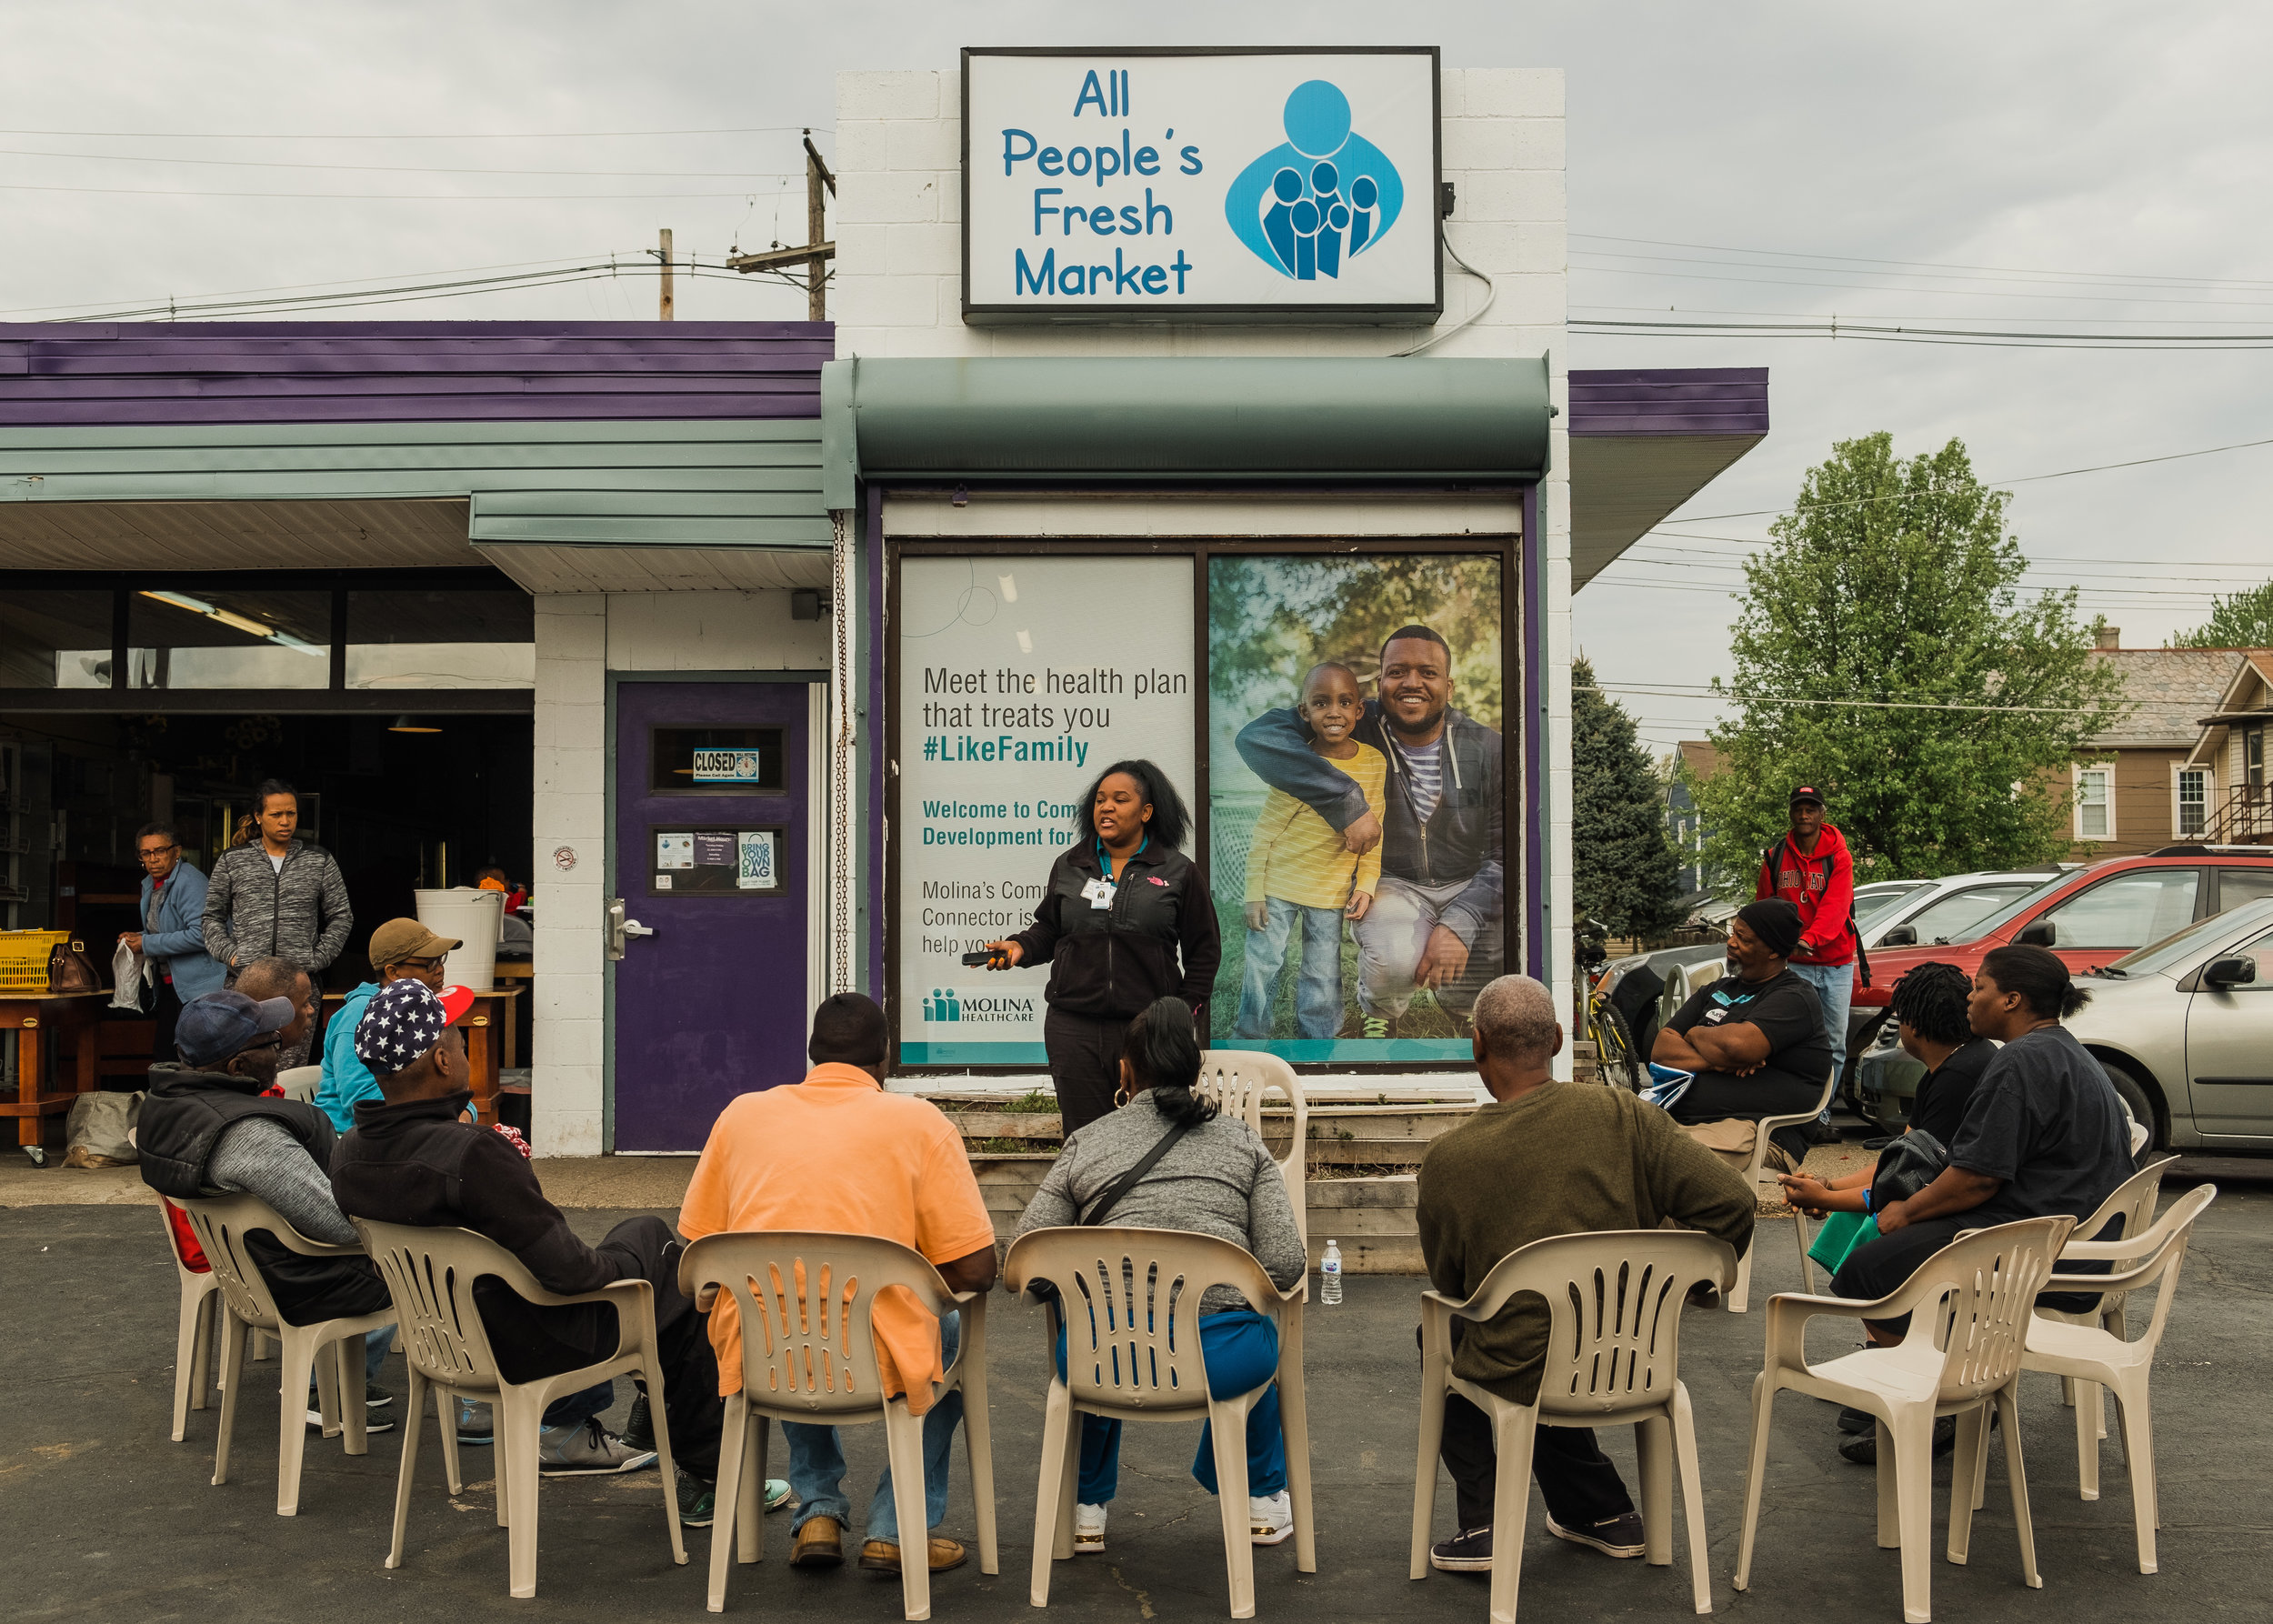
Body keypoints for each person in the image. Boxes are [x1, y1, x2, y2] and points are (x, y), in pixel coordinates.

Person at [328, 980, 729, 1516]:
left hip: (445, 1342)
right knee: (656, 1251)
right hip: (528, 1341)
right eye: (458, 1039)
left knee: (645, 1254)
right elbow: (570, 1273)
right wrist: (628, 1269)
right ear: (444, 1061)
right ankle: (705, 1470)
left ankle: (662, 1425)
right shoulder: (472, 1154)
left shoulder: (347, 1156)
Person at [1416, 975, 1754, 1572]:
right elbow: (1733, 1205)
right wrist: (1689, 1282)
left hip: (1519, 1364)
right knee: (1552, 1327)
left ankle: (1487, 1522)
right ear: (1554, 1040)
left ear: (1476, 1045)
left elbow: (1454, 1289)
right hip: (1630, 1356)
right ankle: (1598, 1510)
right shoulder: (1626, 1117)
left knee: (1449, 1334)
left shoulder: (1449, 1160)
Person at [677, 993, 997, 1577]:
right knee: (947, 1326)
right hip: (877, 1359)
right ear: (885, 1059)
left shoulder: (741, 1115)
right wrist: (904, 1270)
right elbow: (976, 1271)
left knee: (783, 1303)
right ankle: (896, 1530)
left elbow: (698, 1246)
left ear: (811, 1055)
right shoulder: (920, 1123)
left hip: (761, 1358)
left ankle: (819, 1511)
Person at [1014, 997, 1308, 1555]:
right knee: (1258, 1327)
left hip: (1100, 1359)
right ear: (1196, 1070)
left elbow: (1026, 1258)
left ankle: (1085, 1509)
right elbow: (1287, 1264)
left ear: (1125, 1070)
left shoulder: (1087, 1143)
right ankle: (1260, 1502)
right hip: (1219, 1361)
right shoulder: (1243, 1144)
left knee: (1094, 1313)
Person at [1823, 944, 2132, 1467]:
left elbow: (1975, 1180)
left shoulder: (2020, 1060)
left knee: (1867, 1270)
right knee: (1893, 1255)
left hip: (2040, 1244)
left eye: (1980, 988)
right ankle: (1946, 1377)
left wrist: (1906, 1210)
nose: (1970, 998)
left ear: (2012, 1000)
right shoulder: (2063, 1049)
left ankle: (1941, 1401)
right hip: (2075, 1234)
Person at [136, 988, 396, 1431]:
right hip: (297, 1283)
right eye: (271, 1043)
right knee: (438, 1267)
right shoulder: (248, 1135)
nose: (283, 1048)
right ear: (237, 1066)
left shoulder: (164, 1103)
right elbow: (339, 1225)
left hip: (242, 1271)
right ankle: (481, 1404)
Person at [1236, 626, 1504, 1038]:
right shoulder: (1352, 720)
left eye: (1427, 673)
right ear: (1379, 685)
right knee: (1392, 956)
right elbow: (1257, 737)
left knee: (1493, 935)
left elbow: (1506, 856)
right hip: (1393, 882)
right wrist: (1346, 802)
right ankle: (1381, 1011)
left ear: (1448, 686)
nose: (1412, 682)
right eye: (1398, 672)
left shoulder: (1487, 747)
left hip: (1465, 882)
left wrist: (1458, 924)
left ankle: (1461, 1006)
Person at [983, 760, 1220, 1137]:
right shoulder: (1071, 865)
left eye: (1119, 800)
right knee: (1086, 1139)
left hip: (1148, 1030)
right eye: (1100, 800)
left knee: (1153, 1137)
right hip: (1073, 1028)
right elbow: (1050, 929)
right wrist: (1019, 948)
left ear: (1146, 812)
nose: (1105, 807)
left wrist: (1183, 1011)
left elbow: (1204, 951)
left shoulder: (1178, 871)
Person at [1235, 662, 1387, 1040]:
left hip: (1330, 890)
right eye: (1321, 703)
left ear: (1359, 711)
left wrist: (1366, 884)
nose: (1333, 712)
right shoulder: (1296, 761)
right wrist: (1254, 891)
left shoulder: (1373, 762)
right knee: (1263, 964)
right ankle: (1251, 1036)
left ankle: (1319, 1040)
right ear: (1304, 712)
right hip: (1278, 885)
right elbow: (1265, 832)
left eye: (1344, 702)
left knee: (1322, 970)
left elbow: (1374, 829)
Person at [1777, 962, 1991, 1218]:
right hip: (1932, 1196)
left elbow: (1912, 1178)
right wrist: (1829, 1187)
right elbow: (1899, 1159)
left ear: (1914, 1026)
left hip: (1953, 1209)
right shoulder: (1950, 1065)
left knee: (1865, 1227)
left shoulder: (1958, 1077)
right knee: (1855, 1213)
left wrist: (1828, 1199)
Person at [1650, 899, 1834, 1164]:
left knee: (1657, 1161)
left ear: (1772, 950)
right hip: (1680, 1120)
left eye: (1743, 938)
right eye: (1733, 933)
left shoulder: (1794, 996)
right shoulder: (1715, 989)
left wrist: (1693, 1034)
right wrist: (1719, 1063)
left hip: (1757, 1133)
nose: (1731, 942)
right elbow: (1661, 1051)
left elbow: (1737, 1046)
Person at [201, 778, 353, 1069]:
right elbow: (211, 917)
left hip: (298, 983)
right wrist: (233, 955)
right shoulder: (234, 860)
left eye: (291, 813)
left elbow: (341, 916)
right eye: (276, 814)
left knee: (291, 1068)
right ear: (258, 817)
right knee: (245, 1062)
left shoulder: (318, 860)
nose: (285, 821)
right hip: (246, 982)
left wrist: (316, 958)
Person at [1757, 786, 1863, 1139]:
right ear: (1791, 813)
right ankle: (1787, 1114)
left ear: (1822, 813)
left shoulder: (1840, 857)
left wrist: (1809, 939)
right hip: (1794, 965)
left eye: (1811, 809)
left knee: (1834, 1043)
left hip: (1835, 963)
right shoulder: (1775, 856)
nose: (1804, 815)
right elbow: (1764, 908)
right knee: (1785, 1040)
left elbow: (1835, 907)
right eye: (1799, 809)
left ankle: (1820, 1116)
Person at [316, 917, 459, 1132]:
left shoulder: (423, 1009)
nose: (440, 970)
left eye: (441, 960)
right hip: (347, 1137)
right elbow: (361, 1101)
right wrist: (441, 1115)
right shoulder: (360, 1014)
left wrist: (463, 1112)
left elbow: (451, 1084)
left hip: (410, 1124)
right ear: (393, 973)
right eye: (429, 963)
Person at [122, 821, 225, 1063]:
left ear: (176, 852)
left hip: (200, 986)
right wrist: (136, 938)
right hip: (173, 985)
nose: (153, 859)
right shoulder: (151, 884)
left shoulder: (190, 881)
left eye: (160, 851)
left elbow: (201, 934)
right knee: (167, 1054)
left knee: (191, 1056)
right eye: (146, 853)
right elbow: (166, 928)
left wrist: (146, 943)